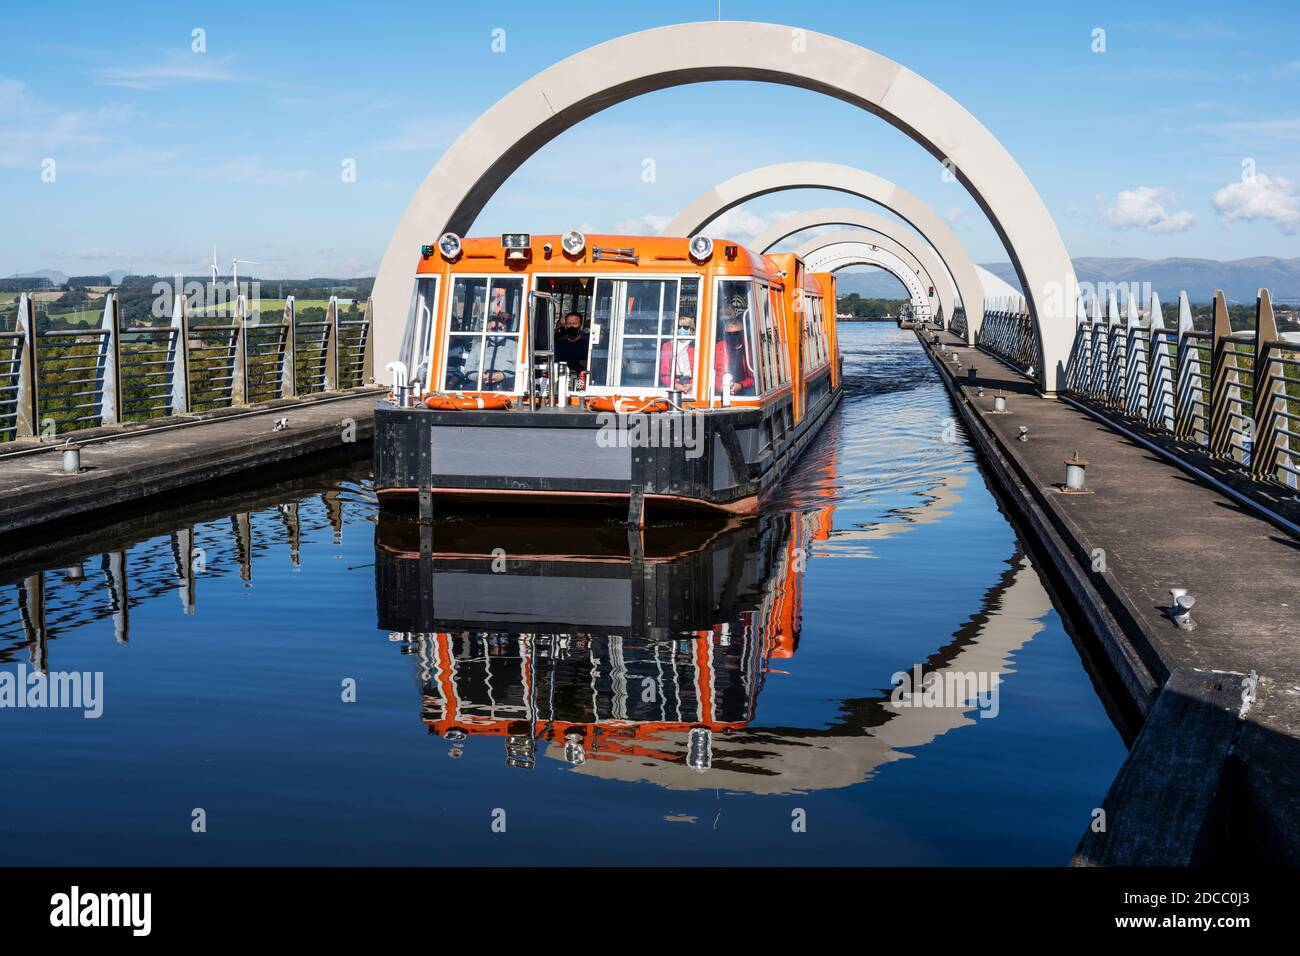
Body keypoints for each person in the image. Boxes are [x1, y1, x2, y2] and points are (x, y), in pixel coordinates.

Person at [715, 312, 755, 395]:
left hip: (744, 387)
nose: (733, 337)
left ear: (742, 333)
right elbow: (711, 373)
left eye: (736, 333)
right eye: (729, 334)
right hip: (722, 388)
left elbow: (754, 377)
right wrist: (720, 386)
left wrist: (741, 385)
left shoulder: (749, 348)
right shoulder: (719, 347)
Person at [659, 313, 696, 389]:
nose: (681, 329)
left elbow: (700, 371)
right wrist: (674, 384)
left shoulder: (696, 346)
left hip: (692, 387)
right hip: (673, 386)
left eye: (685, 327)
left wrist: (691, 384)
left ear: (691, 329)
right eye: (679, 327)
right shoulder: (667, 346)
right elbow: (664, 372)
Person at [481, 314, 517, 390]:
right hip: (482, 380)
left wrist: (502, 375)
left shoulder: (514, 346)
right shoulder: (479, 346)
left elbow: (519, 365)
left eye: (500, 328)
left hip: (506, 379)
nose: (497, 331)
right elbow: (469, 367)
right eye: (493, 328)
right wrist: (478, 376)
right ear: (487, 330)